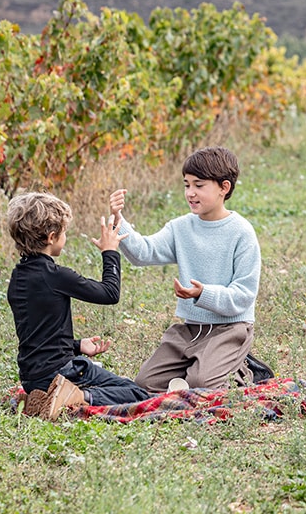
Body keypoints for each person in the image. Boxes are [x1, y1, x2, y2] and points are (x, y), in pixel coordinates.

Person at [109, 146, 261, 394]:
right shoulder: (180, 228)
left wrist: (203, 294)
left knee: (201, 386)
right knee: (145, 384)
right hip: (190, 330)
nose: (190, 193)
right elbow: (144, 252)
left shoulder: (241, 232)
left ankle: (242, 368)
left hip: (230, 329)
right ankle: (201, 364)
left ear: (224, 187)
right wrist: (118, 219)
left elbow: (244, 295)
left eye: (199, 185)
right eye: (186, 185)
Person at [6, 192, 152, 420]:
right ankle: (76, 397)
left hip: (31, 378)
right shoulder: (56, 276)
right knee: (136, 392)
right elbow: (110, 293)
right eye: (64, 232)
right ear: (52, 237)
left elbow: (36, 336)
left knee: (114, 385)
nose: (65, 236)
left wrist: (76, 345)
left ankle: (45, 397)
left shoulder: (17, 278)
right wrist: (110, 252)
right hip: (61, 373)